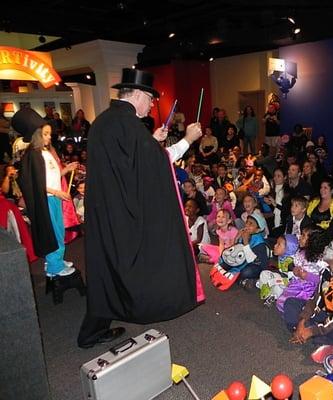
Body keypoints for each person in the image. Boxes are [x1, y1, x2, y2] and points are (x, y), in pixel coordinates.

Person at [77, 68, 203, 349]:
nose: (152, 105)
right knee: (121, 267)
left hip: (105, 211)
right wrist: (188, 140)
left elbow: (130, 162)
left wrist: (152, 142)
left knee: (105, 267)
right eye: (150, 98)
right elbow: (156, 165)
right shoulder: (130, 127)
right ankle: (94, 328)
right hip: (122, 214)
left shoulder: (105, 121)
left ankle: (92, 329)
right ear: (136, 95)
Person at [12, 108, 78, 277]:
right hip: (47, 200)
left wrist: (66, 170)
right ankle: (55, 267)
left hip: (53, 198)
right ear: (37, 135)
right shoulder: (33, 155)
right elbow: (35, 184)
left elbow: (50, 176)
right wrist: (57, 193)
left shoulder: (44, 152)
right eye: (46, 134)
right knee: (53, 232)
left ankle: (57, 260)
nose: (50, 137)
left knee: (59, 231)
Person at [285, 239, 333, 361]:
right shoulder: (325, 272)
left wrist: (312, 330)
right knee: (290, 303)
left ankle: (312, 336)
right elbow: (316, 299)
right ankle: (307, 334)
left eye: (330, 246)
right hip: (323, 316)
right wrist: (302, 320)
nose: (325, 247)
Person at [276, 226, 329, 313]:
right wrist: (293, 268)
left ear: (313, 241)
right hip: (296, 283)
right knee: (281, 302)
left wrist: (307, 276)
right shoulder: (301, 252)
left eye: (303, 236)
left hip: (309, 288)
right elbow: (294, 263)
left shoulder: (320, 260)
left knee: (287, 304)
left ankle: (302, 313)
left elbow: (323, 278)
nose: (300, 237)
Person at [257, 233, 299, 306]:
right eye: (276, 243)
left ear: (288, 249)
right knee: (264, 273)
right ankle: (268, 290)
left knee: (278, 288)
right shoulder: (283, 256)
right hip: (282, 278)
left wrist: (272, 282)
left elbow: (290, 281)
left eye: (279, 244)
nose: (275, 245)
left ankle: (273, 296)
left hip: (288, 284)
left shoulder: (290, 264)